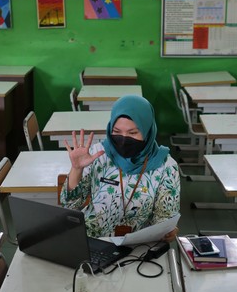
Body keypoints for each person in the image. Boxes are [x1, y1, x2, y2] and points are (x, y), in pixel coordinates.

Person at [60, 95, 181, 241]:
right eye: (116, 132)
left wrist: (166, 232)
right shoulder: (98, 154)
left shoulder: (166, 166)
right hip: (92, 241)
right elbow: (70, 205)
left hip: (139, 246)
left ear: (148, 130)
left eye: (132, 133)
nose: (123, 139)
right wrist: (76, 169)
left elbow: (164, 218)